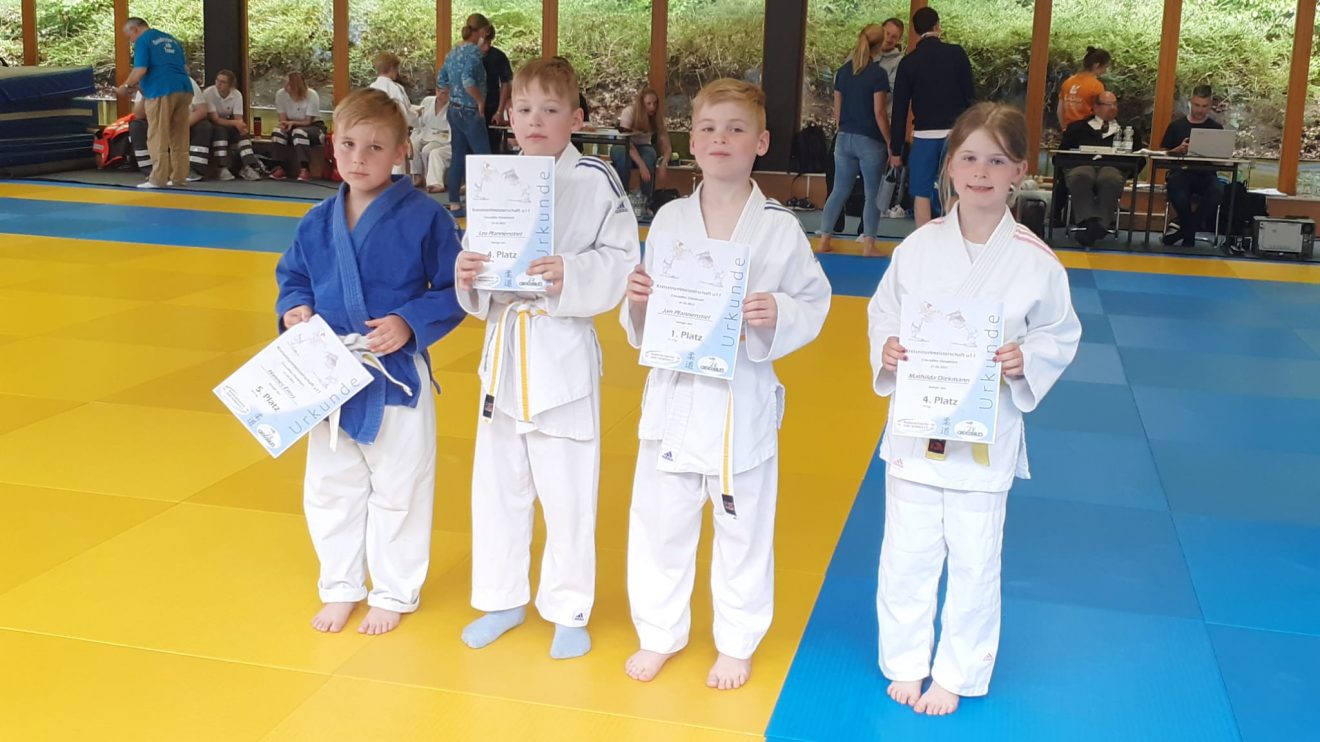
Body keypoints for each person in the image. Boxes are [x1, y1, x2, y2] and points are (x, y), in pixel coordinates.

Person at [868, 102, 1080, 716]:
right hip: (916, 428)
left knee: (975, 559)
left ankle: (957, 671)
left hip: (984, 435)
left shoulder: (1036, 259)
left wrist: (1026, 359)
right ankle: (905, 659)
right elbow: (884, 310)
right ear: (949, 165)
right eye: (969, 158)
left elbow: (1060, 333)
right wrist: (888, 348)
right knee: (905, 553)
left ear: (1020, 169)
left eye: (996, 160)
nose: (981, 172)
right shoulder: (919, 246)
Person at [620, 79, 832, 691]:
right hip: (675, 397)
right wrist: (637, 303)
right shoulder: (669, 219)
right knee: (660, 523)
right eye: (709, 127)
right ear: (692, 139)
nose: (721, 139)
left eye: (737, 128)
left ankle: (736, 639)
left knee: (744, 530)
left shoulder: (779, 228)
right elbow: (647, 314)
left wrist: (777, 315)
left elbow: (812, 301)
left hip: (741, 400)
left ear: (761, 142)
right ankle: (659, 632)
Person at [453, 57, 639, 660]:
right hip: (505, 356)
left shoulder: (596, 178)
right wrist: (468, 272)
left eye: (551, 110)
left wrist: (572, 272)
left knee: (567, 491)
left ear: (576, 119)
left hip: (561, 356)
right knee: (498, 487)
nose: (536, 121)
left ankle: (567, 605)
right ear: (508, 116)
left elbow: (621, 259)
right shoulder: (493, 179)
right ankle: (502, 598)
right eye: (525, 110)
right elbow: (474, 258)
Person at [274, 88, 465, 636]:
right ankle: (339, 585)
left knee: (400, 487)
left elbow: (454, 289)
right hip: (328, 370)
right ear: (333, 145)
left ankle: (394, 590)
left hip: (395, 372)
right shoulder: (316, 220)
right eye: (349, 144)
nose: (359, 158)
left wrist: (408, 320)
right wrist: (295, 309)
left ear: (402, 151)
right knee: (330, 485)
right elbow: (293, 277)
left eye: (375, 147)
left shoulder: (427, 217)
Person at [888, 6, 975, 226]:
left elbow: (899, 109)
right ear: (938, 26)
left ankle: (923, 242)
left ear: (915, 31)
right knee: (953, 187)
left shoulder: (908, 63)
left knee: (921, 191)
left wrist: (896, 149)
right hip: (955, 133)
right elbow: (970, 97)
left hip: (924, 134)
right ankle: (954, 237)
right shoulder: (956, 53)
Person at [817, 24, 892, 257]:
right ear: (879, 46)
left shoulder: (843, 72)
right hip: (869, 139)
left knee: (838, 190)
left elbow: (837, 111)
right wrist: (890, 141)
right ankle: (869, 245)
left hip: (844, 138)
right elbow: (879, 112)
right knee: (872, 194)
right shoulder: (878, 75)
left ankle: (824, 240)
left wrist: (842, 131)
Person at [114, 18, 194, 189]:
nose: (131, 41)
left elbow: (140, 69)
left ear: (135, 29)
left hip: (161, 90)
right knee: (179, 135)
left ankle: (158, 179)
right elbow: (182, 68)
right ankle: (179, 177)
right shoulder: (171, 39)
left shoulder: (143, 40)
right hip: (184, 88)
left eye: (130, 37)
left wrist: (126, 86)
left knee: (157, 134)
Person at [1058, 91, 1140, 246]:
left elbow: (1137, 157)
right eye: (1108, 105)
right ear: (1095, 107)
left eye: (1115, 104)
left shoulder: (1129, 131)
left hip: (1113, 166)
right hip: (1082, 165)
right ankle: (1094, 225)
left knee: (1109, 178)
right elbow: (1063, 154)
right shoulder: (1077, 128)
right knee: (1081, 175)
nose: (1113, 108)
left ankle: (1096, 226)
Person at [436, 13, 493, 214]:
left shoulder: (453, 52)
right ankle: (486, 202)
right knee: (484, 158)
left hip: (453, 109)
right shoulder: (474, 53)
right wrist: (479, 101)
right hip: (470, 111)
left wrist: (451, 94)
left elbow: (441, 79)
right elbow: (469, 80)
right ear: (481, 31)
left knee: (458, 156)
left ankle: (454, 202)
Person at [1160, 84, 1225, 247]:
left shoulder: (1216, 128)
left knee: (1217, 191)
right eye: (1196, 105)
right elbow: (1163, 155)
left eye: (1204, 106)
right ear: (1191, 102)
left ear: (1210, 105)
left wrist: (1212, 154)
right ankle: (1189, 230)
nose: (1200, 110)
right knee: (1177, 189)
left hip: (1206, 174)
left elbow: (1222, 161)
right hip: (1181, 172)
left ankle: (1185, 231)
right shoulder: (1176, 126)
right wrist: (1178, 150)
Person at [129, 78, 210, 183]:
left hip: (183, 123)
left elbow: (201, 110)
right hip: (157, 124)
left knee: (204, 127)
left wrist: (182, 126)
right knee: (136, 126)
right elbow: (139, 114)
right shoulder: (147, 83)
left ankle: (192, 169)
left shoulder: (186, 81)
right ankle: (151, 170)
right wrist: (145, 94)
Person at [610, 86, 673, 200]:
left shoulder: (657, 117)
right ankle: (622, 197)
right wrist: (641, 165)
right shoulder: (629, 112)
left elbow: (667, 146)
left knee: (649, 157)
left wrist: (664, 164)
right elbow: (626, 141)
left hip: (644, 146)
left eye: (654, 103)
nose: (652, 107)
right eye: (648, 104)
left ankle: (646, 199)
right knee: (624, 158)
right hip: (623, 145)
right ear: (641, 104)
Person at [203, 69, 264, 181]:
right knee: (219, 131)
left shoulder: (237, 95)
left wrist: (241, 126)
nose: (218, 84)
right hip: (212, 125)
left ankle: (248, 166)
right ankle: (222, 167)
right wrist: (236, 123)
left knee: (242, 133)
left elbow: (238, 119)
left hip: (228, 123)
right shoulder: (208, 93)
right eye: (217, 80)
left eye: (223, 82)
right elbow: (215, 119)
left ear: (230, 85)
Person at [369, 52, 421, 178]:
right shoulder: (394, 89)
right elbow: (403, 113)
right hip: (393, 132)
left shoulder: (371, 88)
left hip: (373, 132)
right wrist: (416, 115)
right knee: (397, 164)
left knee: (378, 163)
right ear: (392, 68)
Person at [270, 72, 324, 182]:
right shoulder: (281, 94)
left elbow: (308, 121)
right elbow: (282, 118)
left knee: (299, 133)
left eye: (288, 84)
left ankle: (305, 169)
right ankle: (279, 168)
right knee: (278, 132)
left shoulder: (311, 95)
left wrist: (292, 123)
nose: (285, 86)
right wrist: (284, 124)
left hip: (312, 128)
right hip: (291, 126)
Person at [1057, 47, 1110, 130]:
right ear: (1096, 65)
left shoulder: (1068, 82)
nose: (1105, 71)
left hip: (1068, 130)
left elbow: (1060, 110)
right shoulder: (1096, 86)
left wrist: (1064, 129)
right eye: (1105, 67)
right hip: (1087, 132)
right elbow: (1101, 113)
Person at [412, 84, 452, 193]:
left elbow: (450, 130)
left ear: (450, 93)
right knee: (413, 144)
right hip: (426, 132)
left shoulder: (452, 107)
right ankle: (417, 175)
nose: (439, 95)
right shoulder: (427, 101)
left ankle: (428, 180)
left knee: (427, 150)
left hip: (442, 137)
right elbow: (419, 122)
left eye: (444, 93)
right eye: (438, 91)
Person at [482, 23, 514, 152]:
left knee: (491, 147)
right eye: (484, 42)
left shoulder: (498, 56)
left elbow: (506, 82)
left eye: (490, 42)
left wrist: (500, 111)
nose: (487, 46)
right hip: (470, 109)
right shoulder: (467, 55)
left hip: (491, 106)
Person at [874, 17, 905, 120]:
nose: (888, 39)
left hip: (881, 121)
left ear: (898, 40)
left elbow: (889, 93)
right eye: (887, 33)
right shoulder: (862, 52)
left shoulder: (899, 62)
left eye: (894, 37)